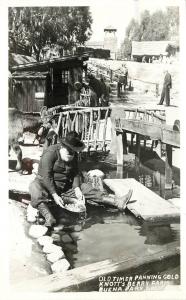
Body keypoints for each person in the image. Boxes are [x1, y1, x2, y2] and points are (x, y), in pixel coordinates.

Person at [27, 131, 133, 227]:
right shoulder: (50, 153)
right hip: (46, 185)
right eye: (69, 151)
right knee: (34, 188)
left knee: (87, 189)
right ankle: (49, 218)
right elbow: (46, 176)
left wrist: (77, 188)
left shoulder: (73, 155)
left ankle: (117, 202)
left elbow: (76, 173)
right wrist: (54, 194)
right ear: (62, 147)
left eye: (73, 151)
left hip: (65, 186)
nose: (71, 154)